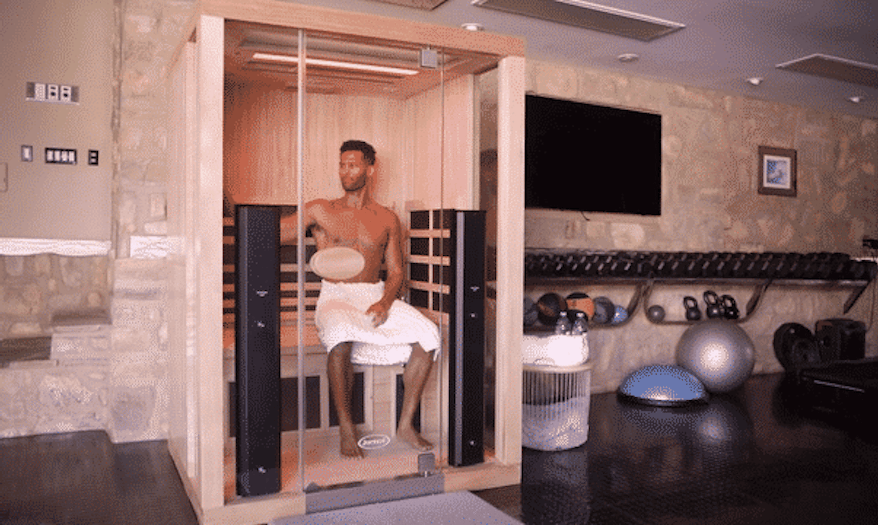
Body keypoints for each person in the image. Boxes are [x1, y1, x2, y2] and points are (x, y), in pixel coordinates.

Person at [280, 140, 440, 458]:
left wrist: (385, 302)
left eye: (352, 165)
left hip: (374, 292)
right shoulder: (320, 210)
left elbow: (396, 272)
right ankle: (346, 427)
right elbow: (272, 232)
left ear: (370, 169)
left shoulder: (387, 218)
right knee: (339, 337)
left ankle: (406, 424)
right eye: (342, 165)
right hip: (336, 294)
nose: (345, 171)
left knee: (429, 335)